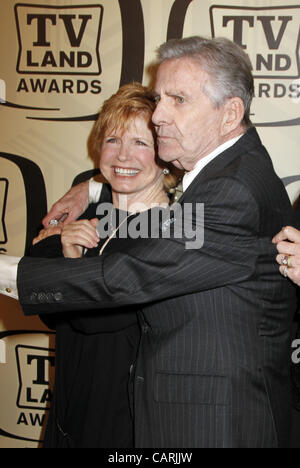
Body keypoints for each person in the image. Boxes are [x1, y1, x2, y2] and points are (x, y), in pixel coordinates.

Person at [0, 36, 297, 448]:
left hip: (214, 423)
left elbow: (130, 275)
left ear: (230, 113)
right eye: (160, 99)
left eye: (178, 99)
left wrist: (5, 270)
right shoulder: (222, 177)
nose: (158, 117)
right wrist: (91, 189)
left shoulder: (231, 190)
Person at [20, 82, 178, 448]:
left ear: (164, 153)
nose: (123, 155)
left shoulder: (167, 229)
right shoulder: (90, 210)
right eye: (113, 140)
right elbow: (45, 307)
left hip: (122, 419)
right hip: (67, 410)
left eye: (141, 143)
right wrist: (60, 247)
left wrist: (68, 261)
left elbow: (99, 318)